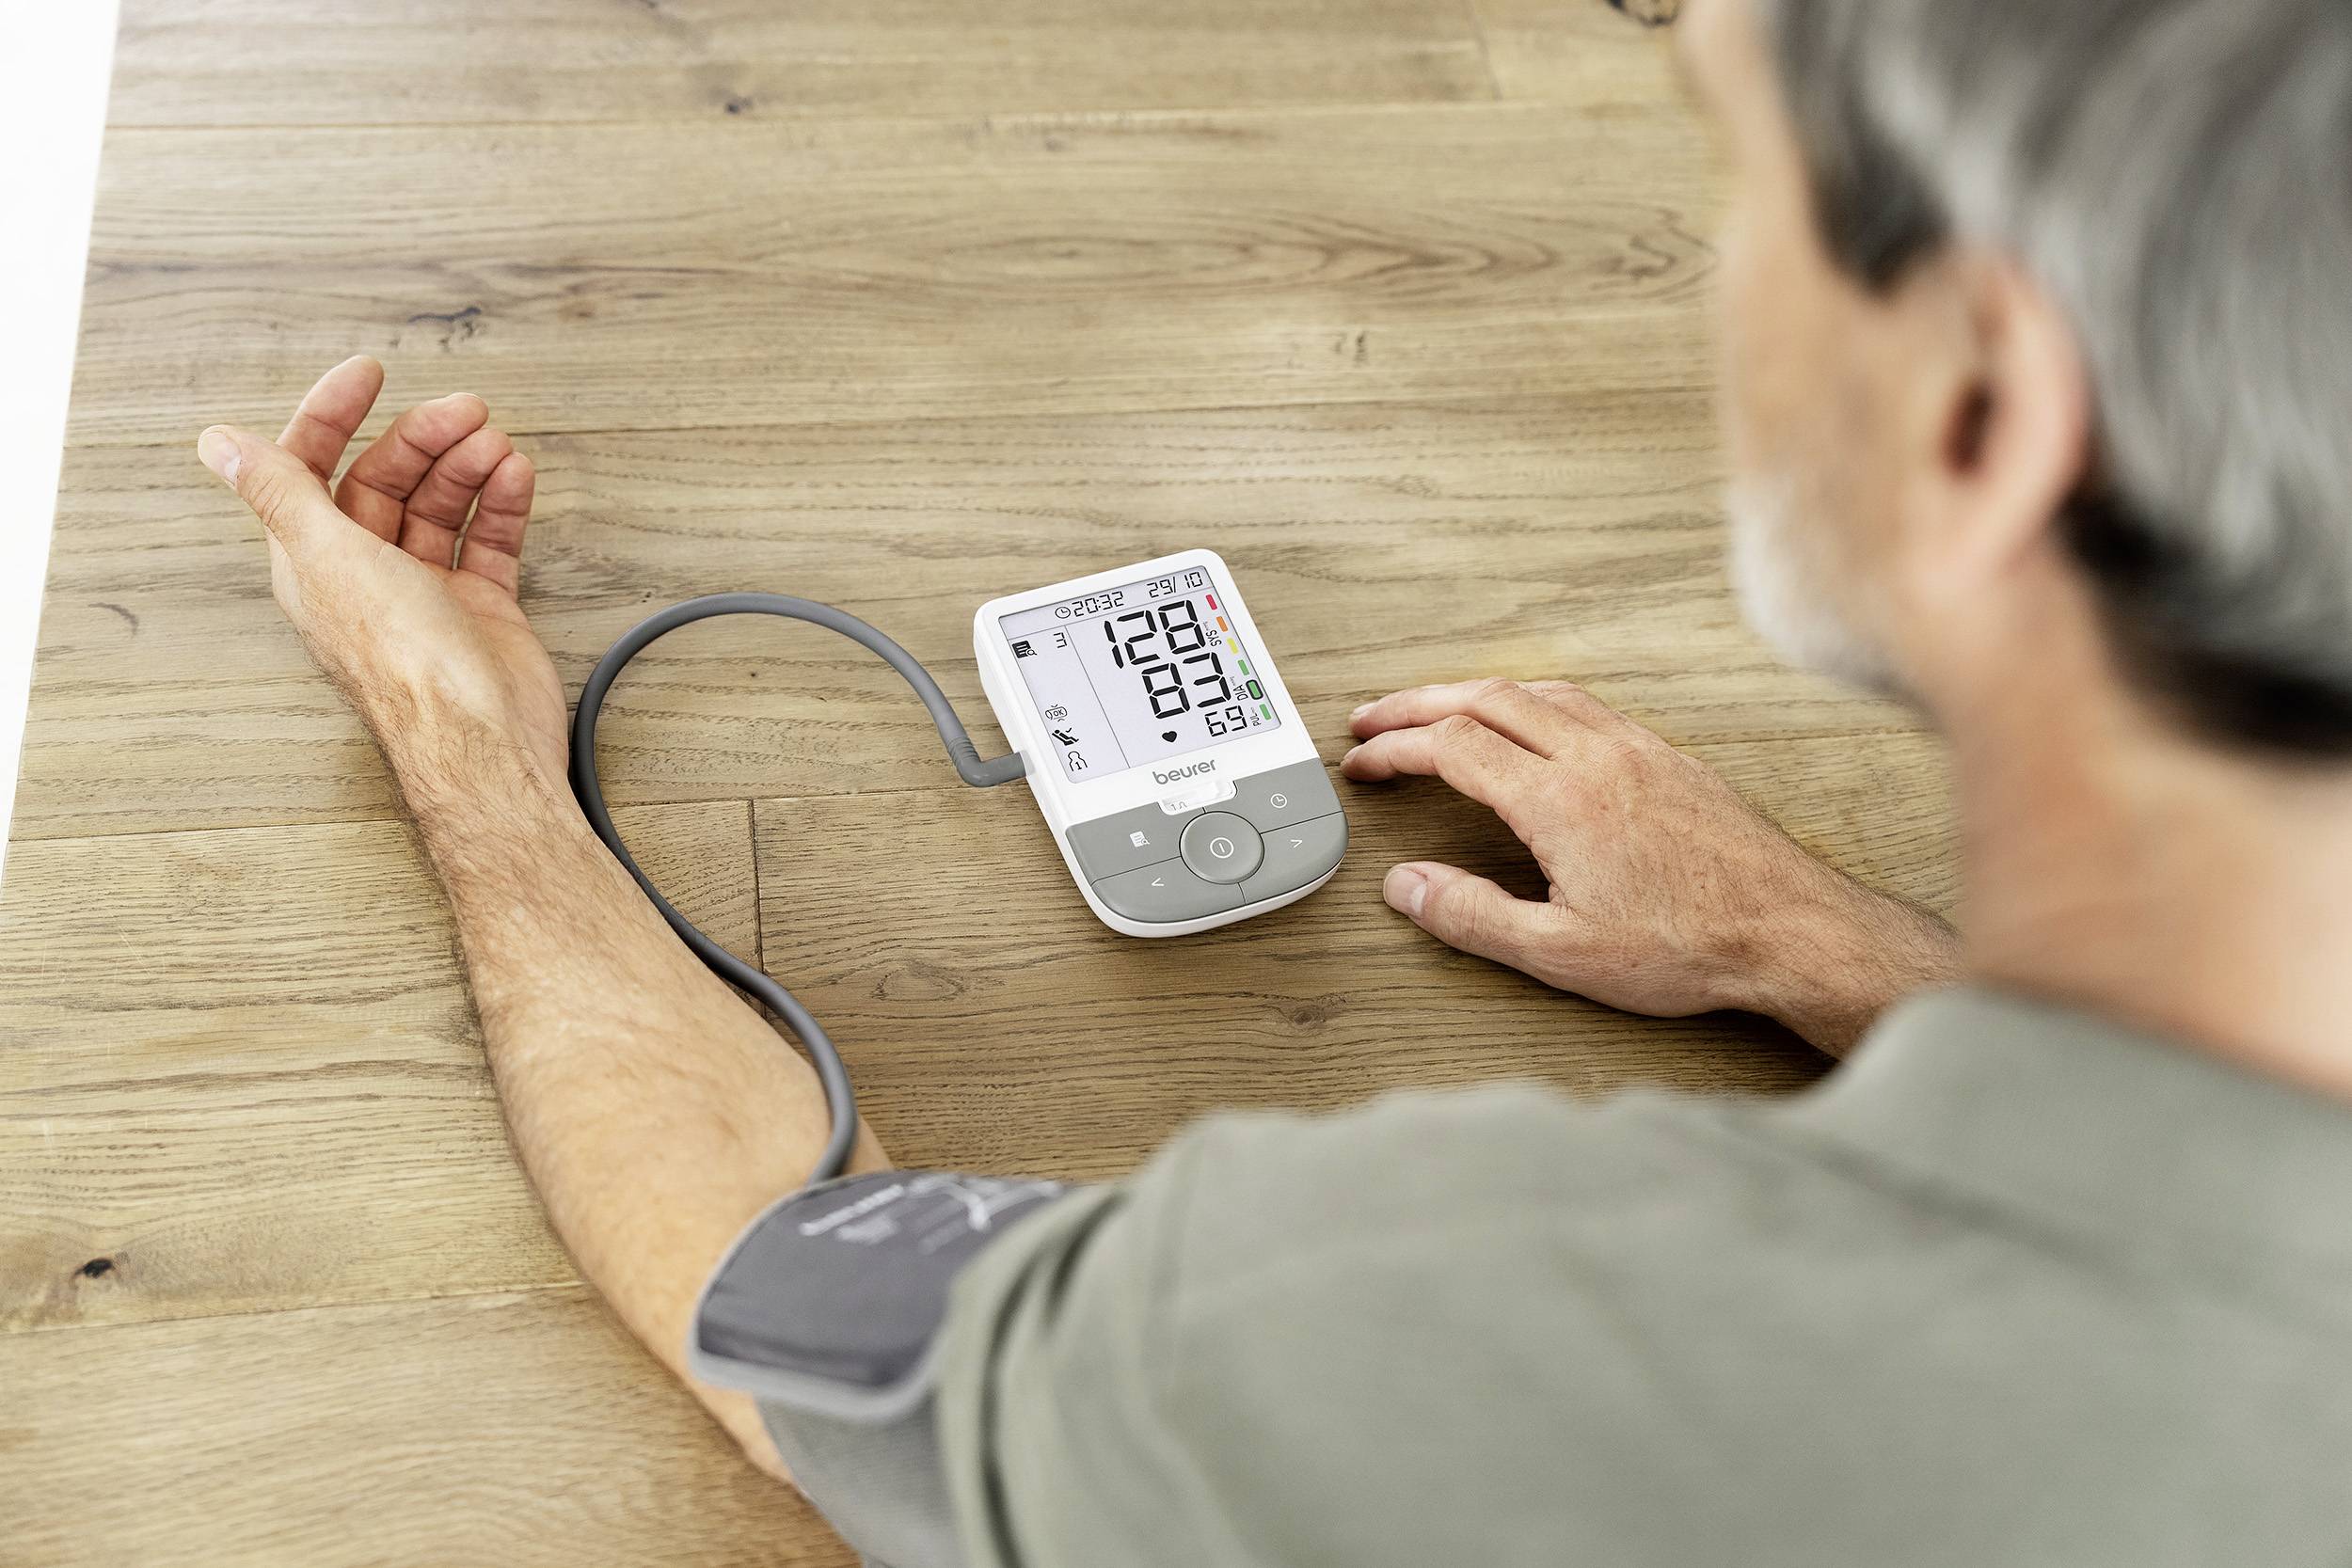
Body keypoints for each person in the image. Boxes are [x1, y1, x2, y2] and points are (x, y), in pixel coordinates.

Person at [191, 0, 2352, 1560]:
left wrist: (458, 733)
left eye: (1740, 192)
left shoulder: (1462, 1316)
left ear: (1979, 419)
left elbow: (776, 1298)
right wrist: (1830, 948)